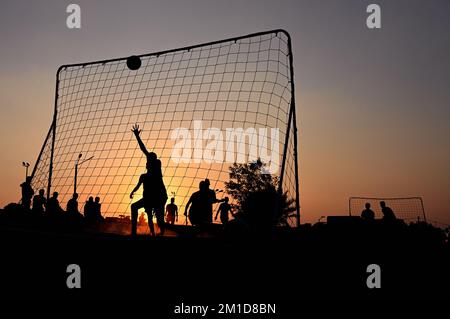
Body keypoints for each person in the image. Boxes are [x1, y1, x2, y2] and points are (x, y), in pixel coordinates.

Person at [130, 124, 167, 236]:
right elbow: (144, 150)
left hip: (159, 197)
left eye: (149, 158)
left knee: (159, 218)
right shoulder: (144, 176)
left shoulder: (157, 165)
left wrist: (137, 136)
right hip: (148, 198)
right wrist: (137, 136)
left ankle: (162, 231)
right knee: (135, 207)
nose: (147, 161)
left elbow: (144, 150)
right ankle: (135, 231)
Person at [130, 160, 167, 236]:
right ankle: (137, 231)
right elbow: (138, 185)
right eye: (146, 164)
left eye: (148, 164)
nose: (146, 165)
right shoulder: (143, 176)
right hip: (146, 199)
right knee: (135, 207)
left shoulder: (157, 176)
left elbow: (158, 164)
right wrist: (132, 192)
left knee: (154, 217)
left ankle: (157, 232)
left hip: (154, 199)